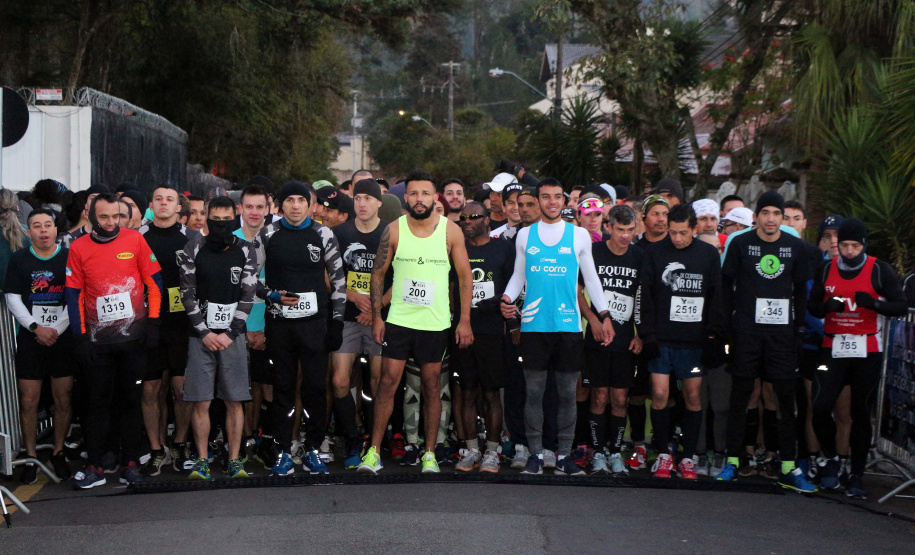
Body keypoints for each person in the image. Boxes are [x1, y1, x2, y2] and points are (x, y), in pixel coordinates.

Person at [357, 170, 474, 474]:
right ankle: (373, 452)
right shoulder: (394, 230)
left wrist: (464, 321)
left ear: (435, 198)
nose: (419, 199)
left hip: (435, 324)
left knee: (432, 386)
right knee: (387, 384)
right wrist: (378, 316)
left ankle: (430, 453)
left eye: (425, 193)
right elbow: (378, 274)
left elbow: (464, 279)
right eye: (413, 193)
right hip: (398, 321)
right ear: (404, 197)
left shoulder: (451, 232)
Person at [500, 178, 615, 476]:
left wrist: (604, 314)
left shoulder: (578, 236)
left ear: (565, 202)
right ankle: (536, 456)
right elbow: (518, 276)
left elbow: (591, 279)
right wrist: (507, 297)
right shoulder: (525, 236)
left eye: (556, 197)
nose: (551, 202)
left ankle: (564, 456)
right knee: (534, 393)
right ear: (538, 201)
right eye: (545, 197)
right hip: (534, 326)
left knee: (566, 394)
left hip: (568, 326)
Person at [714, 191, 817, 492]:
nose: (771, 219)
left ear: (782, 218)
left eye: (776, 214)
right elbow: (725, 286)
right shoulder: (740, 244)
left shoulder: (795, 246)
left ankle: (788, 466)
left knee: (785, 401)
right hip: (746, 334)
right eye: (766, 213)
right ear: (756, 216)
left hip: (782, 337)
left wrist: (798, 329)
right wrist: (728, 326)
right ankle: (732, 461)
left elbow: (801, 290)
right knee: (741, 397)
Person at [66, 193, 164, 488]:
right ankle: (96, 464)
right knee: (97, 404)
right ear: (92, 216)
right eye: (104, 216)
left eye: (116, 216)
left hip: (133, 341)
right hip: (97, 344)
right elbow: (73, 294)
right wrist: (80, 336)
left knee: (131, 402)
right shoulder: (78, 247)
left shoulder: (135, 240)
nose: (111, 222)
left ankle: (130, 462)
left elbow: (155, 282)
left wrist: (154, 323)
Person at [807, 218, 907, 499]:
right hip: (833, 348)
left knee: (860, 411)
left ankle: (857, 474)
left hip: (867, 350)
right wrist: (827, 306)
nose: (849, 251)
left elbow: (899, 305)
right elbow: (812, 306)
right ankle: (833, 460)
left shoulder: (878, 269)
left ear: (863, 246)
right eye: (844, 246)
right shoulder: (827, 267)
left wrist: (874, 303)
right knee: (820, 405)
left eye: (855, 246)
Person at [253, 181, 346, 476]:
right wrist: (271, 295)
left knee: (315, 388)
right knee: (282, 388)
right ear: (280, 205)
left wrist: (338, 322)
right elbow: (248, 277)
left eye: (301, 200)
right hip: (280, 325)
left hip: (315, 326)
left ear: (310, 205)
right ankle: (282, 450)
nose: (295, 205)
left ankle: (314, 449)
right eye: (289, 200)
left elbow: (339, 281)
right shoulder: (268, 234)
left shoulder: (323, 233)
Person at [640, 204, 724, 479]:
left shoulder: (709, 255)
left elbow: (716, 297)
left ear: (695, 229)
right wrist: (647, 334)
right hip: (662, 339)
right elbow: (646, 296)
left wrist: (712, 335)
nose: (677, 238)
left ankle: (687, 457)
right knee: (661, 394)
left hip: (693, 341)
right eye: (673, 233)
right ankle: (663, 453)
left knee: (692, 396)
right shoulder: (654, 252)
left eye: (683, 233)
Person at [178, 196, 258, 480]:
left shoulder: (247, 250)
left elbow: (249, 296)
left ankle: (234, 459)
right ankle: (201, 459)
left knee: (235, 400)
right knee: (200, 401)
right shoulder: (192, 248)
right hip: (200, 336)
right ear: (207, 218)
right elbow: (186, 294)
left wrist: (229, 333)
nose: (221, 224)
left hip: (232, 337)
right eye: (216, 220)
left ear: (234, 218)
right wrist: (205, 332)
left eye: (227, 220)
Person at [577, 205, 650, 475]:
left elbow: (644, 297)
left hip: (625, 341)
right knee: (598, 397)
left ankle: (616, 452)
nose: (625, 236)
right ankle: (597, 453)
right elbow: (577, 291)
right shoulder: (593, 253)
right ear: (608, 227)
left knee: (620, 399)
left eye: (631, 230)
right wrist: (593, 320)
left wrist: (640, 334)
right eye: (620, 230)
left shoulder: (640, 257)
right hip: (595, 337)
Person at [4, 209, 74, 483]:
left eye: (48, 225)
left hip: (62, 337)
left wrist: (55, 329)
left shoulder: (69, 258)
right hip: (31, 338)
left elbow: (74, 297)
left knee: (63, 398)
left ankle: (58, 451)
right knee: (29, 400)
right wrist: (36, 328)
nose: (43, 231)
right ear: (28, 231)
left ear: (56, 230)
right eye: (37, 226)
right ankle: (31, 455)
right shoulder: (20, 260)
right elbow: (12, 297)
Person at [136, 186, 196, 476]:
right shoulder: (138, 239)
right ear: (151, 205)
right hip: (148, 324)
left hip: (181, 325)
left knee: (181, 388)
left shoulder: (191, 238)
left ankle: (181, 443)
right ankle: (156, 447)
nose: (163, 203)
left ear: (178, 207)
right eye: (158, 198)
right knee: (151, 389)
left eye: (169, 199)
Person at [330, 179, 389, 469]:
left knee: (379, 383)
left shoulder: (391, 232)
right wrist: (353, 296)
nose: (362, 203)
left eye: (368, 198)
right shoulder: (338, 233)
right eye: (358, 198)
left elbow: (401, 276)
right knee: (340, 380)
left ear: (379, 202)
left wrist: (375, 307)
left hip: (380, 318)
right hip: (348, 317)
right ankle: (352, 438)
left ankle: (373, 440)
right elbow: (326, 275)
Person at [453, 202, 514, 473]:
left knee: (491, 394)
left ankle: (491, 451)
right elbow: (450, 288)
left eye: (474, 216)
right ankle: (471, 450)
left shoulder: (502, 248)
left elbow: (514, 286)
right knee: (466, 393)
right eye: (463, 217)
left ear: (487, 220)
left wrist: (511, 323)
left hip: (491, 331)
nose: (468, 221)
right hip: (461, 331)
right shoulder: (456, 248)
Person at [233, 185, 273, 466]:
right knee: (240, 389)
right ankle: (242, 441)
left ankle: (266, 440)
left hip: (270, 326)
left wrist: (264, 328)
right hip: (236, 328)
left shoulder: (276, 239)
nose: (254, 212)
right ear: (240, 209)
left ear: (268, 209)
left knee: (268, 388)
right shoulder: (229, 240)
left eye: (260, 207)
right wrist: (245, 328)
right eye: (249, 207)